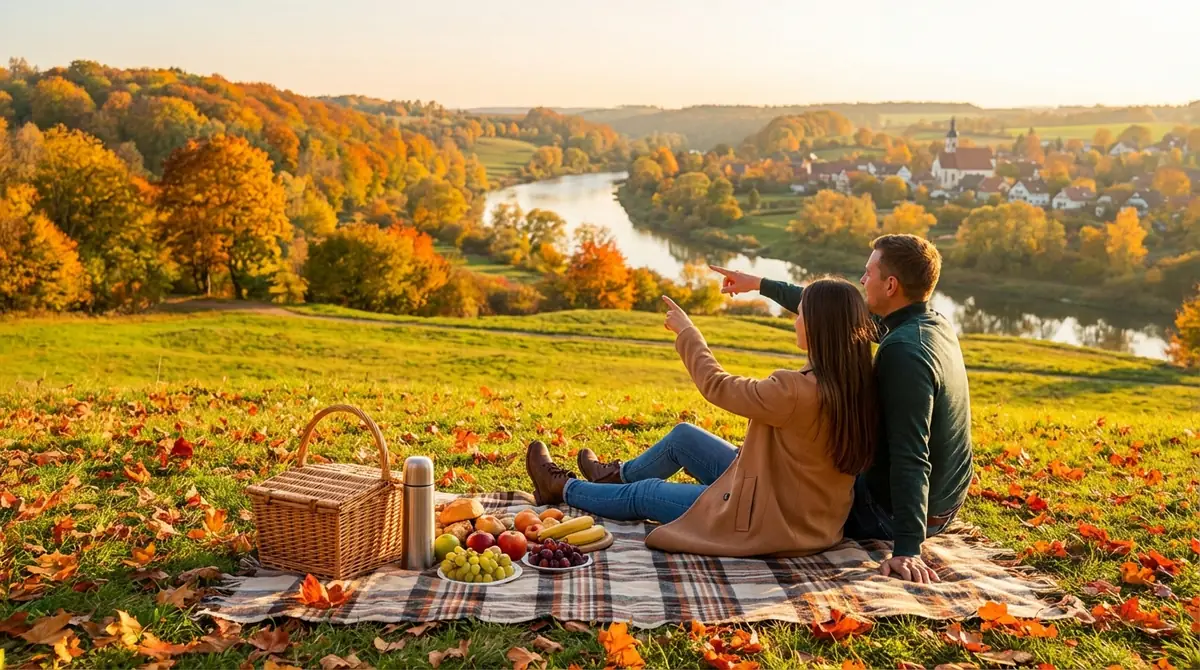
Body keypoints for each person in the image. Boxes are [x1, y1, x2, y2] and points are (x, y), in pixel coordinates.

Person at [525, 277, 879, 558]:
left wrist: (688, 333)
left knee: (646, 495)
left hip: (770, 522)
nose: (796, 320)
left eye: (800, 313)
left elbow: (717, 385)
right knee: (685, 437)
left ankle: (562, 488)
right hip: (813, 517)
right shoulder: (859, 382)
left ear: (818, 326)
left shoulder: (792, 391)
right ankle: (613, 477)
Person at [710, 233, 973, 583]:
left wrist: (908, 548)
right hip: (944, 504)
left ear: (891, 284)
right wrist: (759, 284)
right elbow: (833, 312)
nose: (862, 281)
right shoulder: (928, 324)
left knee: (766, 482)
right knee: (773, 463)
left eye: (868, 273)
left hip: (892, 513)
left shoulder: (904, 354)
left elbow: (911, 453)